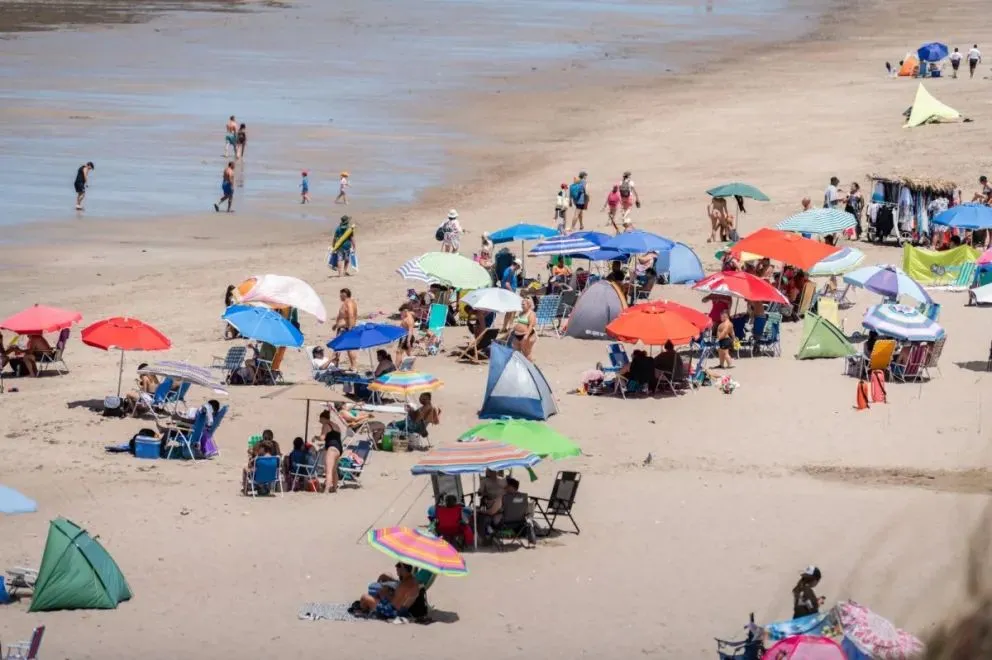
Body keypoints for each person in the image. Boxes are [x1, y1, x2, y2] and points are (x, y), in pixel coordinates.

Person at [353, 562, 421, 619]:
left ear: (403, 569)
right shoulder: (413, 581)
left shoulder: (403, 585)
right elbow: (401, 600)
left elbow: (392, 606)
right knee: (384, 579)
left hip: (391, 613)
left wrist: (383, 595)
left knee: (364, 597)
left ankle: (364, 611)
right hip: (403, 611)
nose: (396, 567)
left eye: (398, 566)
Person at [334, 288, 359, 369]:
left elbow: (351, 315)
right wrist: (336, 325)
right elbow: (343, 316)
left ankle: (353, 366)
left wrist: (350, 328)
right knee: (345, 348)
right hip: (344, 328)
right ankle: (351, 366)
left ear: (344, 295)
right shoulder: (347, 303)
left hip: (346, 329)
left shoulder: (349, 303)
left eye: (340, 295)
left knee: (342, 347)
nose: (339, 297)